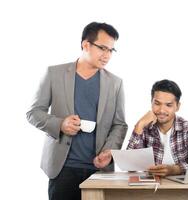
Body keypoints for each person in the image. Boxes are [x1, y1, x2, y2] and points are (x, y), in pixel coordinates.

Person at [26, 22, 128, 200]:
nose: (107, 55)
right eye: (103, 48)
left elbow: (119, 124)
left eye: (111, 50)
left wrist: (109, 151)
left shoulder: (115, 83)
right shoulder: (54, 74)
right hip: (62, 168)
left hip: (98, 170)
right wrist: (60, 124)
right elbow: (33, 112)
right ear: (86, 45)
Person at [127, 79, 188, 177]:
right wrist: (139, 125)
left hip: (182, 189)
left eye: (168, 105)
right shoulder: (144, 128)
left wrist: (176, 169)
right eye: (157, 103)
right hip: (151, 187)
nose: (161, 110)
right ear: (151, 102)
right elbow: (130, 166)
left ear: (177, 106)